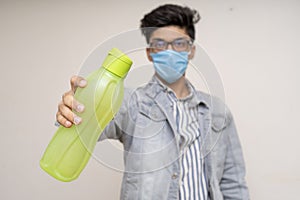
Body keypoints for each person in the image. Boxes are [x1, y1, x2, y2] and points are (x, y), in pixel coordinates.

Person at [56, 4, 249, 200]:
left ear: (191, 50)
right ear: (150, 53)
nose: (170, 51)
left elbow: (233, 183)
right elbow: (87, 125)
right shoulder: (129, 103)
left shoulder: (217, 111)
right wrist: (77, 106)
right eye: (160, 44)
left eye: (179, 43)